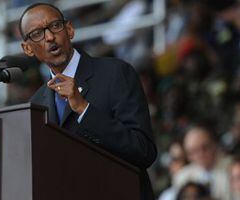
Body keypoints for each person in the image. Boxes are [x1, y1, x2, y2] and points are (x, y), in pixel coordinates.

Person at [19, 3, 157, 199]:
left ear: (70, 30)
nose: (49, 37)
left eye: (55, 26)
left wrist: (84, 109)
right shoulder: (36, 104)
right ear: (27, 49)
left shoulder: (116, 73)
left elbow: (143, 151)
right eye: (37, 34)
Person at [174, 125, 232, 200]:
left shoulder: (235, 168)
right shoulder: (182, 177)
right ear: (188, 155)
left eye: (205, 147)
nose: (201, 154)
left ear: (214, 144)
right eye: (194, 150)